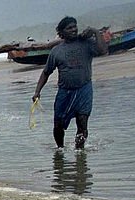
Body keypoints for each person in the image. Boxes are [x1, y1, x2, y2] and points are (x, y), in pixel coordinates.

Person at [33, 16, 108, 150]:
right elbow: (46, 72)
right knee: (58, 125)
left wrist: (96, 32)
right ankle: (60, 150)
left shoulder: (86, 43)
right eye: (69, 28)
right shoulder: (56, 51)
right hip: (64, 92)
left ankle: (80, 155)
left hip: (84, 89)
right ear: (61, 33)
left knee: (82, 122)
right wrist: (37, 92)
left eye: (75, 27)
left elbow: (103, 51)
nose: (74, 30)